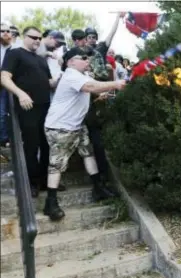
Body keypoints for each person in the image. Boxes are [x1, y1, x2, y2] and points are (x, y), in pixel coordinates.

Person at [43, 47, 126, 221]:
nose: (87, 60)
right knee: (57, 164)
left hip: (77, 126)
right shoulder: (71, 74)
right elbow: (90, 86)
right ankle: (50, 203)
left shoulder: (81, 76)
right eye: (82, 57)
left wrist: (103, 93)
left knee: (88, 153)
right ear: (70, 62)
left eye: (88, 57)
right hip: (60, 128)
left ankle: (98, 188)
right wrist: (116, 84)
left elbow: (93, 87)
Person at [1, 26, 60, 197]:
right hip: (28, 107)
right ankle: (32, 183)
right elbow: (4, 77)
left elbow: (49, 82)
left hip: (46, 107)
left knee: (46, 144)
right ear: (24, 37)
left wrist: (61, 78)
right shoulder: (15, 53)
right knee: (31, 145)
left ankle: (43, 181)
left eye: (39, 38)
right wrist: (20, 94)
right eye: (33, 37)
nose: (37, 40)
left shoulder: (41, 59)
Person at [0, 23, 13, 147]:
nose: (5, 33)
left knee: (4, 113)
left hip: (11, 85)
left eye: (7, 31)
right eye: (2, 30)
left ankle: (4, 139)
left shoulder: (15, 49)